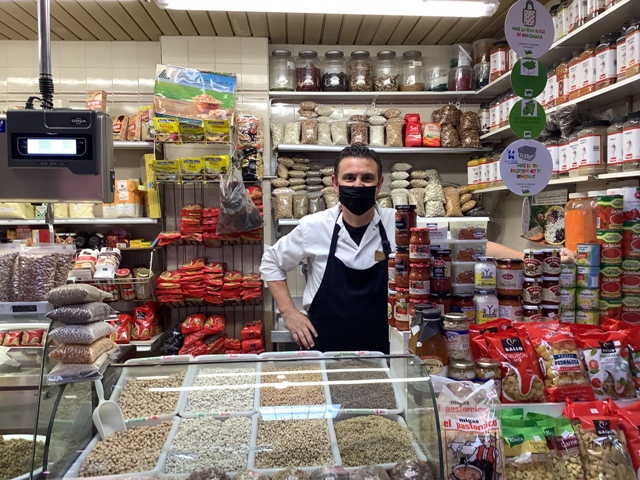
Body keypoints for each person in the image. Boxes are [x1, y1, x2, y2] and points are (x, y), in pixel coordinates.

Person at [260, 145, 395, 352]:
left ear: (379, 184)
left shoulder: (398, 224)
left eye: (367, 178)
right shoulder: (314, 226)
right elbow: (271, 261)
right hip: (324, 349)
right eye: (349, 178)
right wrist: (288, 312)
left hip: (385, 349)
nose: (358, 185)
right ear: (335, 183)